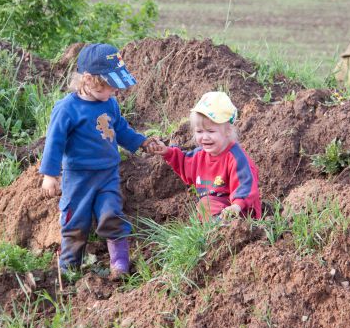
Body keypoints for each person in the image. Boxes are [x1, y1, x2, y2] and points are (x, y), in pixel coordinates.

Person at [40, 43, 158, 279]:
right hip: (78, 178)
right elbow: (54, 142)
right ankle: (69, 269)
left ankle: (120, 266)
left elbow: (121, 130)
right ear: (88, 79)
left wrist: (142, 142)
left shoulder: (110, 104)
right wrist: (50, 175)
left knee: (111, 215)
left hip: (107, 175)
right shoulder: (67, 109)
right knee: (75, 222)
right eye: (110, 86)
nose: (115, 91)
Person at [152, 91, 261, 219]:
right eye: (199, 131)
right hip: (214, 206)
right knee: (205, 205)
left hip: (240, 211)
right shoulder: (199, 156)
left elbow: (246, 185)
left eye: (210, 131)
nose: (204, 137)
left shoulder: (236, 158)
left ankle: (223, 226)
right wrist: (167, 152)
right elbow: (183, 162)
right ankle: (215, 225)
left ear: (228, 131)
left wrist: (236, 205)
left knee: (205, 204)